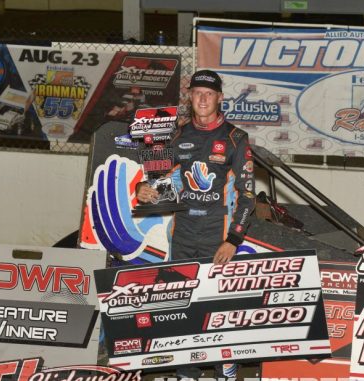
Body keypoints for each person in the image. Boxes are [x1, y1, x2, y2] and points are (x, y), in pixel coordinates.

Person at [136, 69, 255, 379]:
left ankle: (225, 368)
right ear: (190, 97)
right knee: (180, 309)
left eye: (209, 93)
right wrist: (143, 190)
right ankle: (186, 372)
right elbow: (156, 179)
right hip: (182, 236)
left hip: (218, 239)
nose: (203, 98)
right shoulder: (175, 135)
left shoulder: (235, 138)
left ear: (219, 98)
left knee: (216, 310)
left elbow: (248, 197)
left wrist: (233, 240)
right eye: (198, 92)